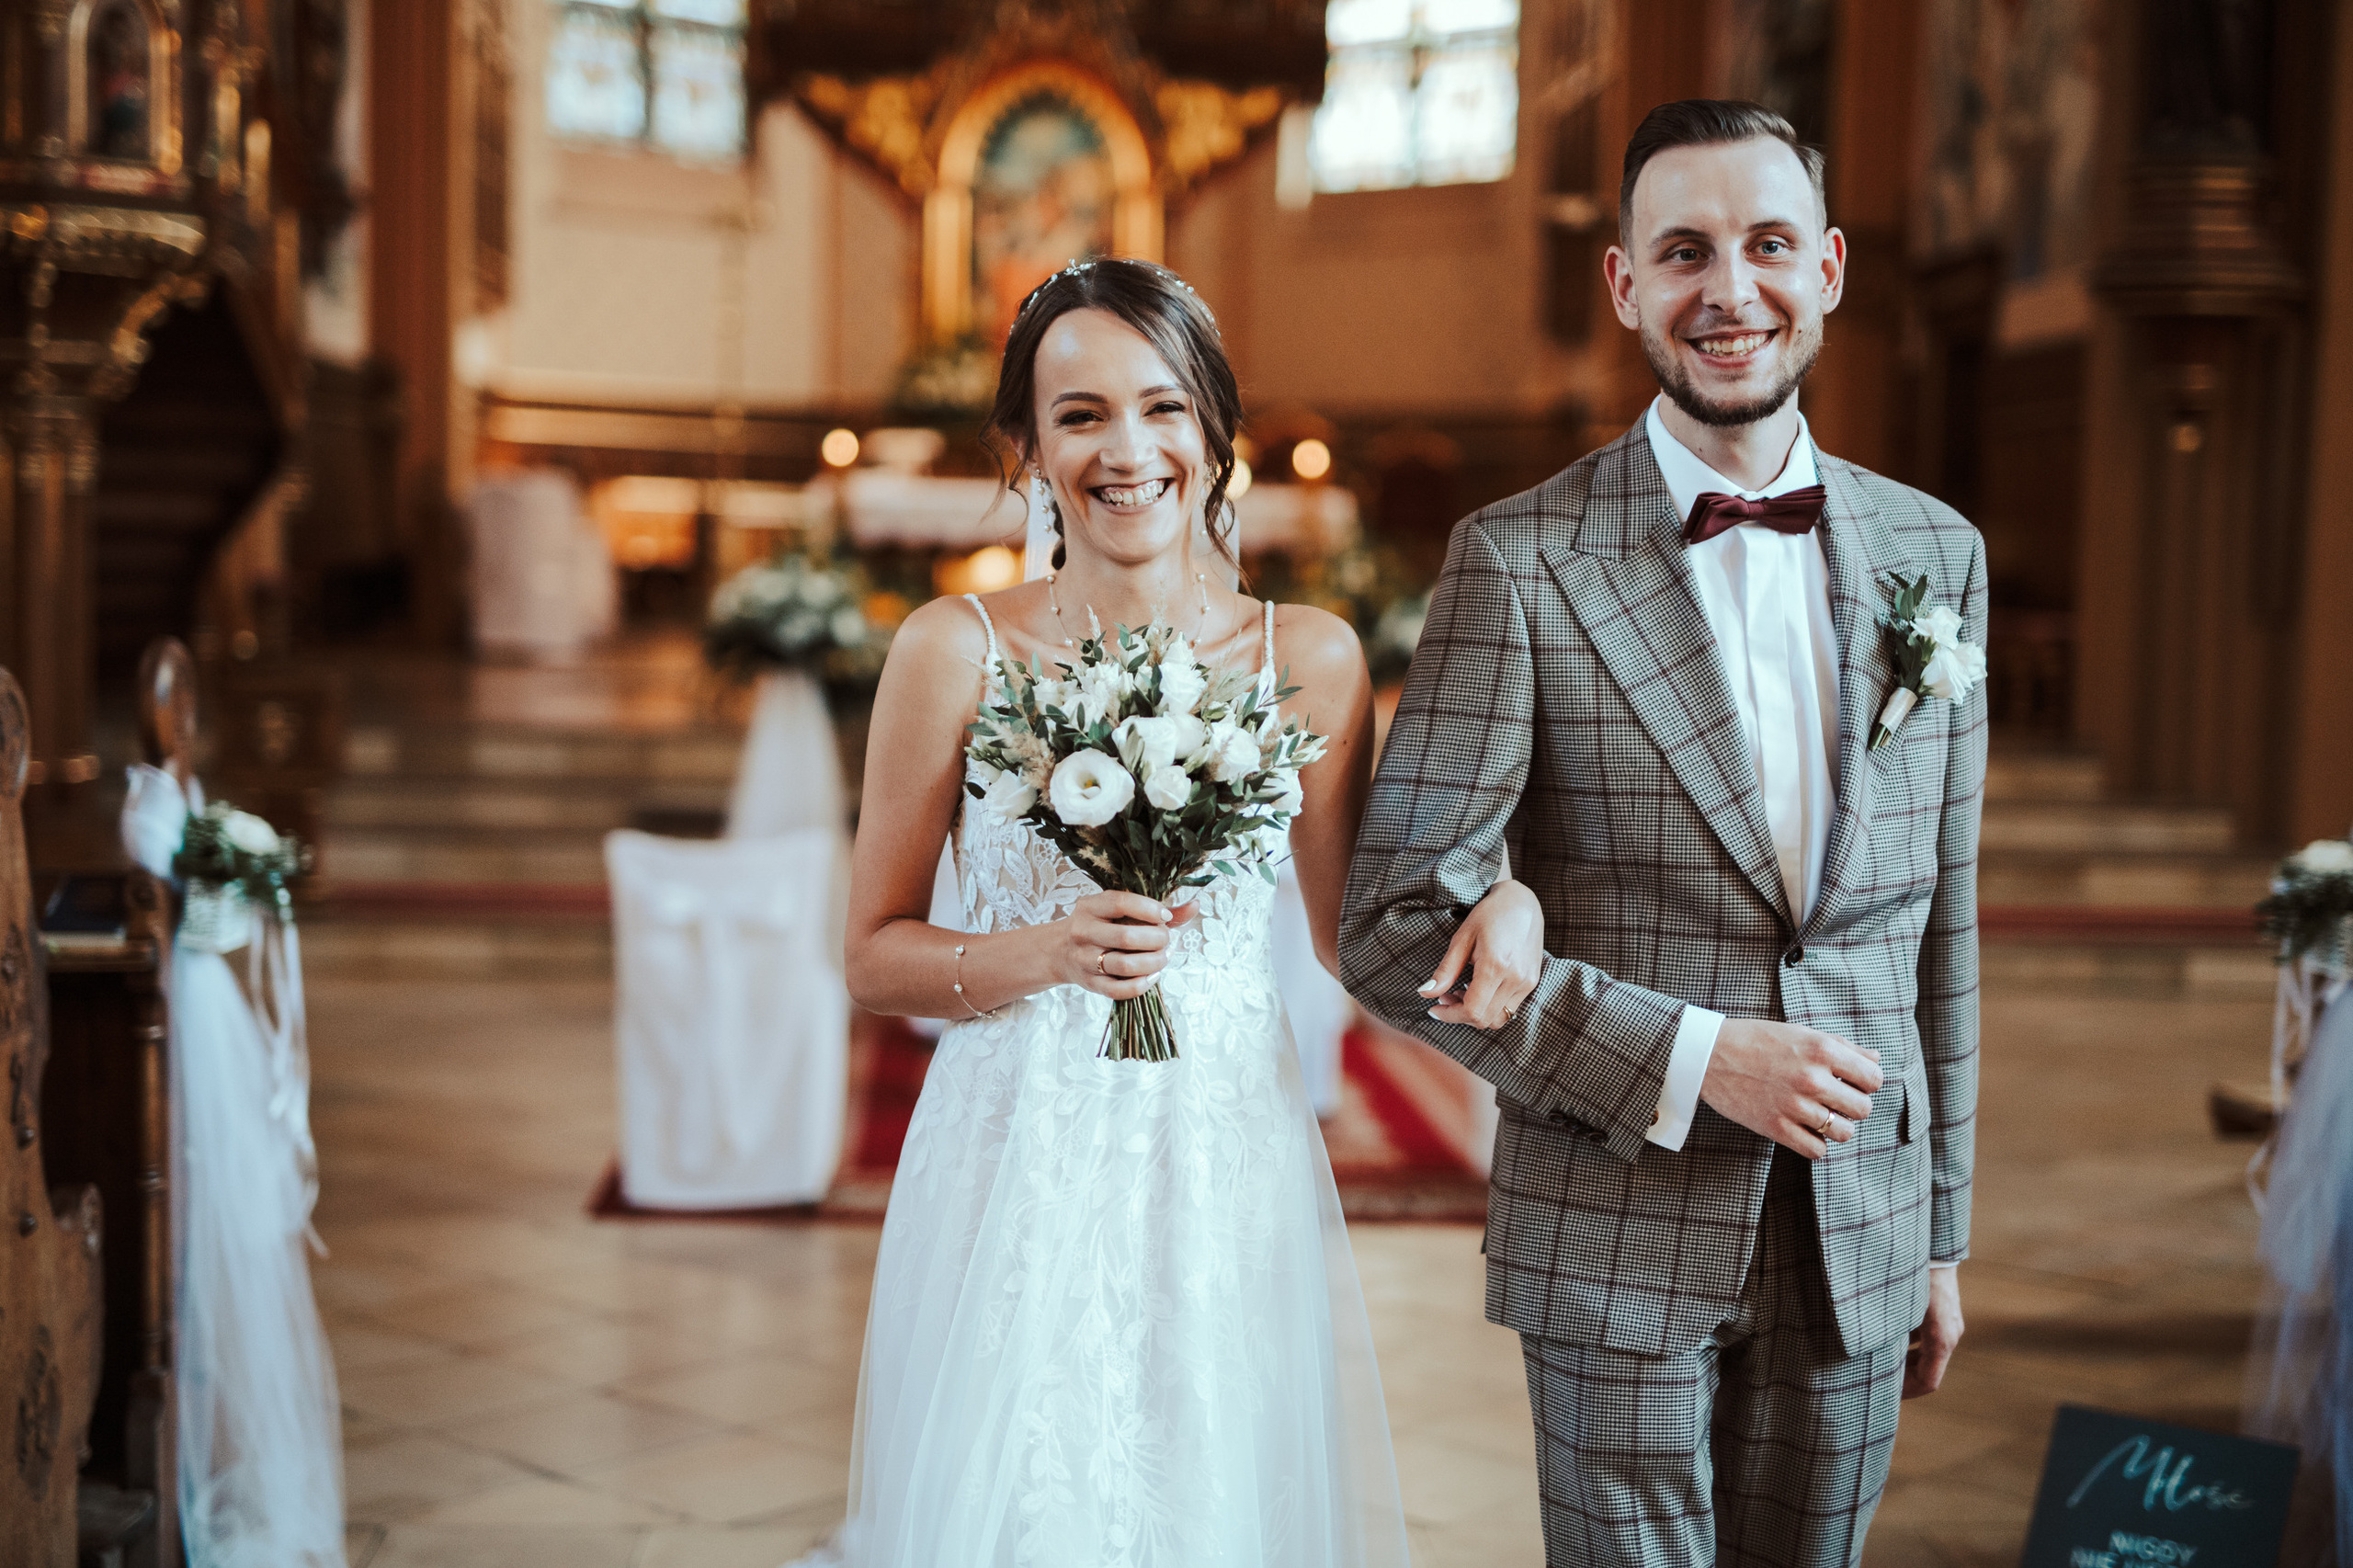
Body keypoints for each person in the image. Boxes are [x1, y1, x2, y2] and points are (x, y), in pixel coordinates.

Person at [817, 256, 1546, 1565]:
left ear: (1215, 431)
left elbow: (1357, 938)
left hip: (1220, 1152)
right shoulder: (951, 649)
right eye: (1080, 414)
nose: (1126, 448)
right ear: (1027, 447)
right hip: (1014, 1150)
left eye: (1163, 407)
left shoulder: (1307, 656)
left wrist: (1507, 898)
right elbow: (871, 956)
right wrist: (1044, 951)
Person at [1339, 99, 1984, 1567]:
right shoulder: (1519, 560)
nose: (1730, 290)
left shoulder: (1937, 553)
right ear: (1627, 284)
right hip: (1614, 1220)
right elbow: (1391, 927)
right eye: (1685, 252)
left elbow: (1940, 919)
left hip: (1860, 1223)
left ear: (1827, 269)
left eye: (1767, 246)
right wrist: (1697, 1060)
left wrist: (1939, 1228)